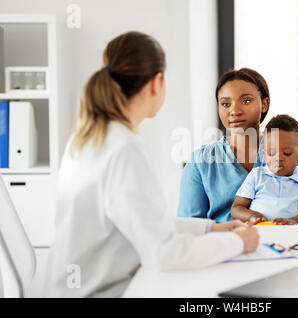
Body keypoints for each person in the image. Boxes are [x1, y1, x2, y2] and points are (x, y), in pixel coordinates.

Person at [44, 31, 259, 298]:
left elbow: (146, 222)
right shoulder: (124, 149)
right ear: (157, 82)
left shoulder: (87, 137)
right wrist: (237, 242)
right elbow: (163, 253)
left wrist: (211, 228)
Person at [177, 68, 298, 223]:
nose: (234, 111)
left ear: (264, 104)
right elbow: (189, 226)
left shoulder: (293, 155)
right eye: (226, 104)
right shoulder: (200, 161)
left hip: (283, 243)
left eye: (246, 101)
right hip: (226, 244)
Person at [231, 114, 298, 225]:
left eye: (287, 153)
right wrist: (253, 216)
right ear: (264, 155)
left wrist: (294, 220)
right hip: (259, 233)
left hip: (289, 233)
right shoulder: (256, 175)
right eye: (271, 153)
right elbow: (236, 208)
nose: (278, 158)